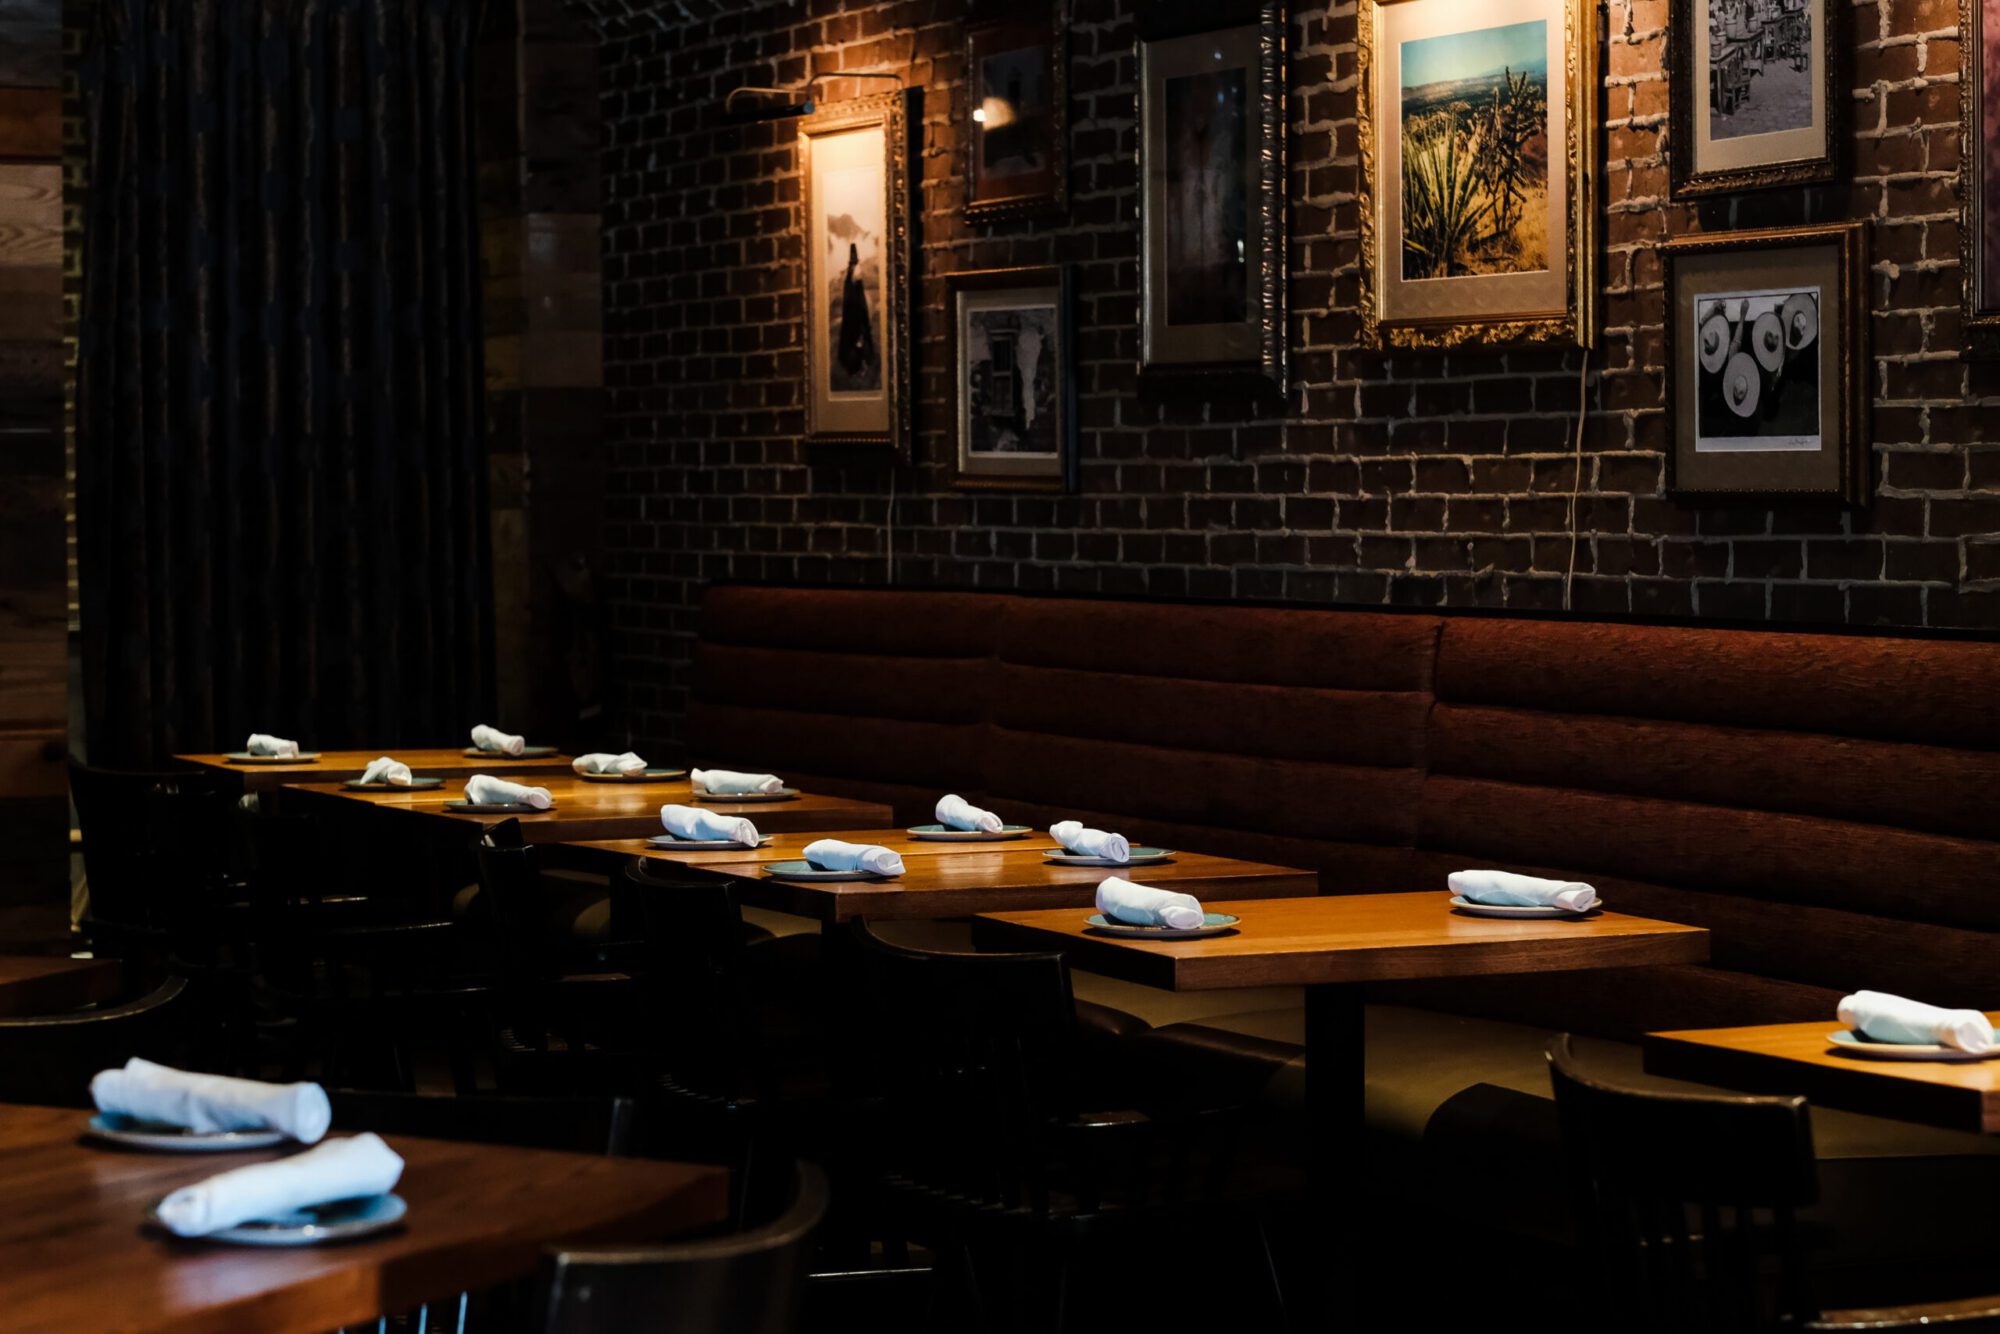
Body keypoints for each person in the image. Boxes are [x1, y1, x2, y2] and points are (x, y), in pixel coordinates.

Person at [836, 242, 877, 380]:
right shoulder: (851, 278)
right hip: (854, 317)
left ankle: (858, 363)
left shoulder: (854, 277)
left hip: (855, 316)